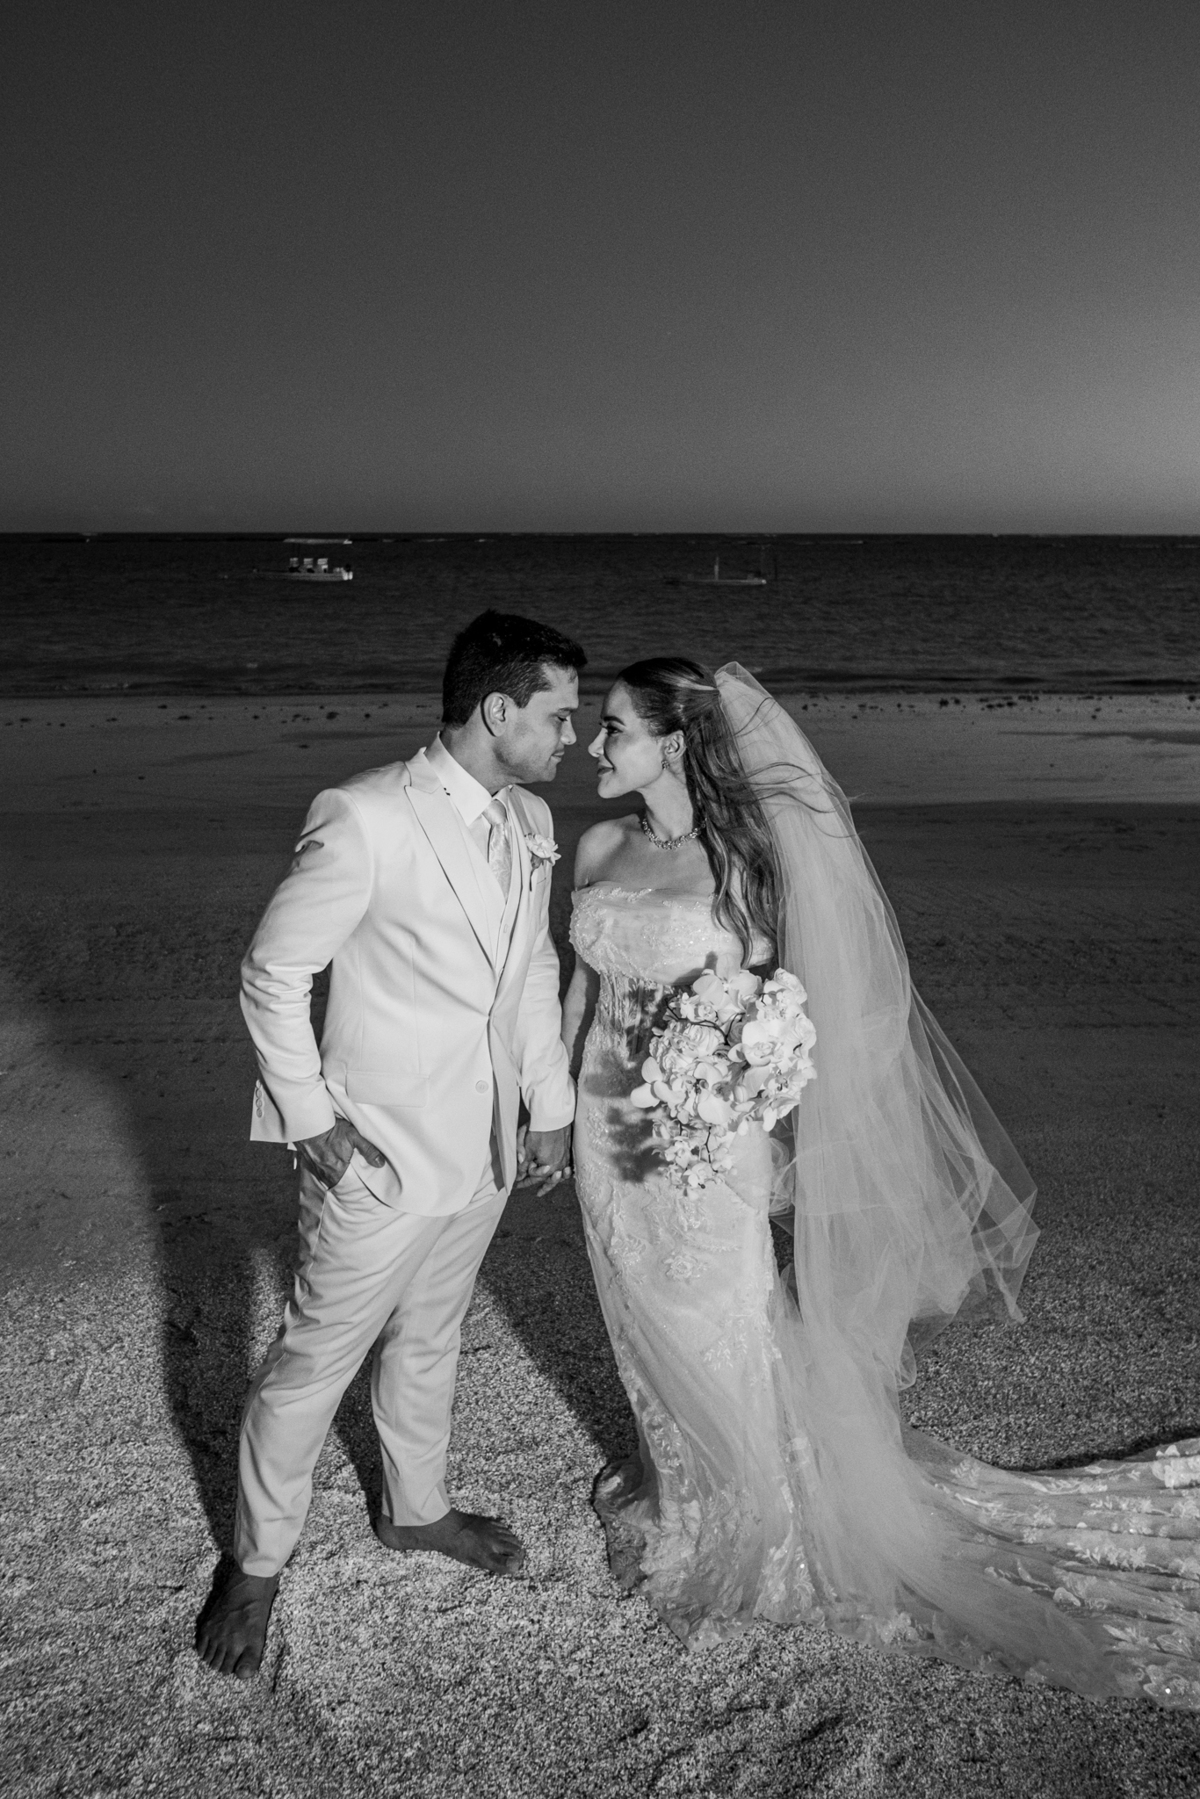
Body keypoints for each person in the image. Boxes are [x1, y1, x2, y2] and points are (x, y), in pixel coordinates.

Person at [561, 656, 1200, 1707]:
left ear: (672, 743)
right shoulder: (597, 846)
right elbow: (582, 996)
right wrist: (554, 1113)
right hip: (603, 1122)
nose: (597, 744)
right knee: (634, 1303)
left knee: (721, 1308)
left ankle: (752, 1500)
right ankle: (679, 1474)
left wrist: (748, 1091)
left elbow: (797, 1005)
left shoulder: (748, 864)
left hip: (705, 1135)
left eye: (615, 727)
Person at [196, 610, 584, 1680]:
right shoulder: (365, 815)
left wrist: (548, 1104)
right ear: (497, 709)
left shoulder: (531, 817)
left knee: (433, 1331)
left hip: (485, 1144)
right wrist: (311, 1117)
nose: (573, 737)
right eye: (559, 715)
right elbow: (274, 971)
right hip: (377, 1153)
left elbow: (532, 970)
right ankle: (256, 1563)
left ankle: (413, 1507)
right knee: (313, 1360)